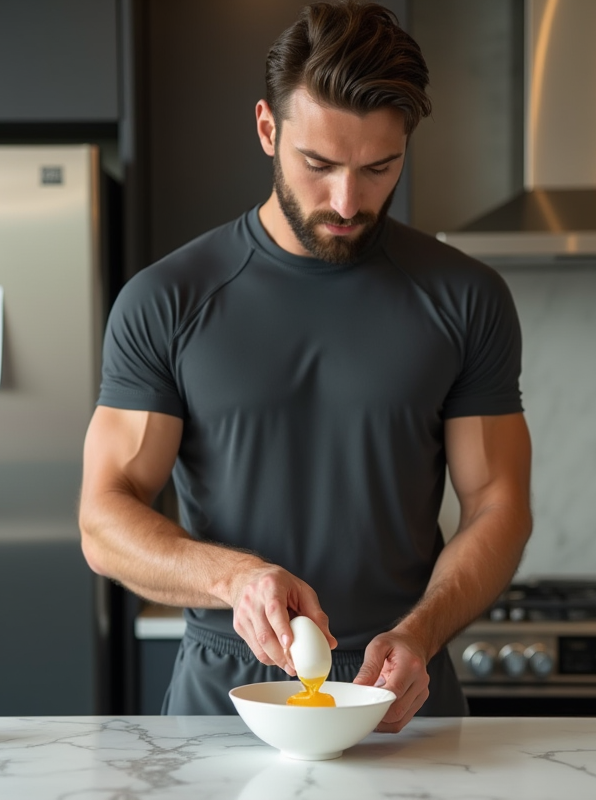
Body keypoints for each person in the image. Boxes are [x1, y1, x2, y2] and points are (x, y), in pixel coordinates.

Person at [78, 0, 532, 733]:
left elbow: (498, 507)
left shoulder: (465, 297)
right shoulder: (167, 300)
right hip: (222, 704)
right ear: (267, 129)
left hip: (402, 694)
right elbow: (104, 519)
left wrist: (420, 634)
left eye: (378, 167)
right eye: (317, 165)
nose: (347, 201)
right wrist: (236, 579)